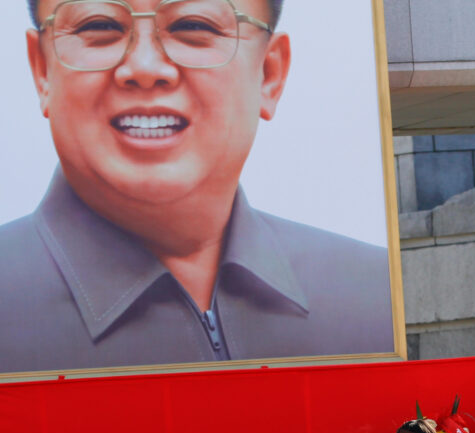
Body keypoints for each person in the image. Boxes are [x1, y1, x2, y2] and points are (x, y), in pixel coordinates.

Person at [0, 0, 394, 374]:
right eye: (99, 26)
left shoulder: (372, 295)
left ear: (269, 74)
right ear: (41, 69)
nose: (144, 67)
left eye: (193, 26)